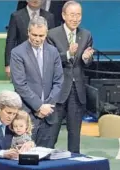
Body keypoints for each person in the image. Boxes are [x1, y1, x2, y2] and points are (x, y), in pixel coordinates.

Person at [47, 1, 94, 153]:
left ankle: (75, 163)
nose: (75, 18)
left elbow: (86, 62)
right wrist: (68, 54)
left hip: (77, 91)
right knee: (51, 135)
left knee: (74, 136)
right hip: (58, 91)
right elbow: (49, 60)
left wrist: (86, 58)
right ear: (63, 15)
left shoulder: (86, 35)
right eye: (72, 15)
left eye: (78, 15)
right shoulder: (52, 34)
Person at [10, 16, 64, 148]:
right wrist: (39, 106)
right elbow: (20, 84)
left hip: (49, 114)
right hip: (28, 115)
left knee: (47, 156)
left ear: (46, 34)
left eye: (41, 35)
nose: (37, 39)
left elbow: (59, 81)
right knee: (26, 156)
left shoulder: (53, 52)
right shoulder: (17, 53)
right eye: (34, 35)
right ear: (28, 32)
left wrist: (47, 106)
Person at [5, 0, 55, 77]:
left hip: (43, 62)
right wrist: (8, 64)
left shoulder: (49, 17)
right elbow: (11, 41)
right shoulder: (16, 16)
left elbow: (52, 41)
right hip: (22, 61)